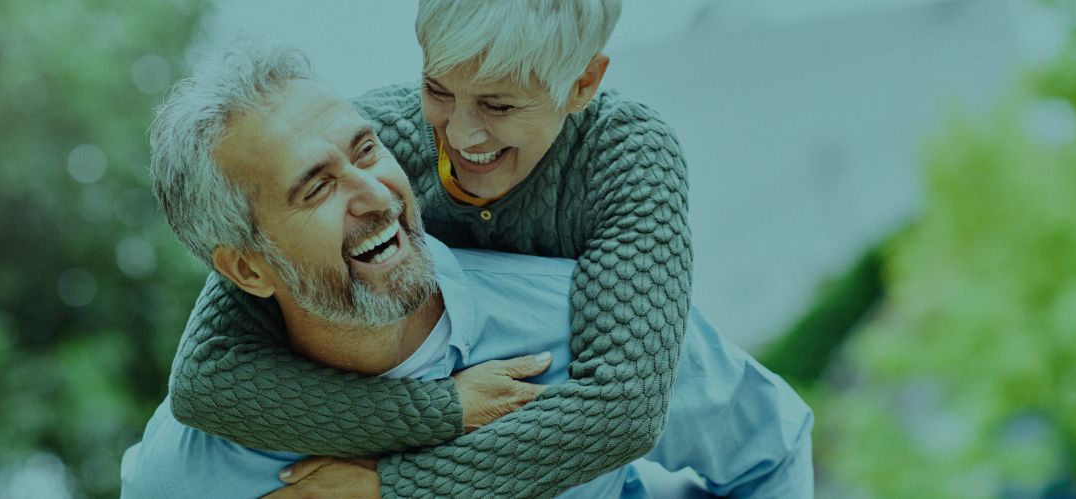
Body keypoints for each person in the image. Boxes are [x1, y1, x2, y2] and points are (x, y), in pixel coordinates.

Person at [125, 41, 812, 498]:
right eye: (316, 187)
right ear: (246, 268)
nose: (373, 195)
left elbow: (771, 446)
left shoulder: (580, 324)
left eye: (367, 150)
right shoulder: (190, 469)